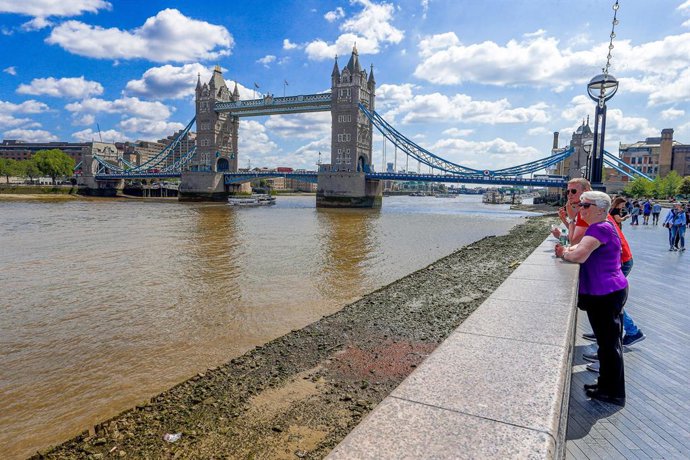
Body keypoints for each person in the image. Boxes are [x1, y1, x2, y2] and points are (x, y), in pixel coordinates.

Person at [555, 191, 627, 406]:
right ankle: (604, 384)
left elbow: (578, 254)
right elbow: (577, 246)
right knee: (606, 344)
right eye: (581, 205)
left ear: (600, 209)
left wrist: (563, 253)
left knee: (609, 344)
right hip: (606, 292)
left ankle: (613, 392)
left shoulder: (601, 227)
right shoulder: (599, 227)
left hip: (606, 293)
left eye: (585, 205)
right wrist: (569, 249)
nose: (581, 209)